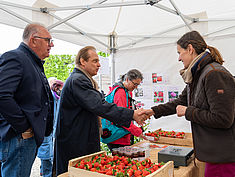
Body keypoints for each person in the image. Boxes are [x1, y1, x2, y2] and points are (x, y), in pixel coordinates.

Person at [143, 31, 235, 177]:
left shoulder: (214, 74)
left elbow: (223, 118)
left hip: (223, 157)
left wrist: (188, 112)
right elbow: (181, 101)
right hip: (214, 154)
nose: (179, 58)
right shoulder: (198, 74)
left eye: (180, 52)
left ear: (190, 49)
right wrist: (153, 111)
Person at [55, 46, 148, 176]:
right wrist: (132, 114)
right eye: (95, 61)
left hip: (80, 138)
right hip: (76, 141)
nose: (99, 65)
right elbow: (99, 105)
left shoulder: (83, 79)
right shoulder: (78, 80)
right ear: (82, 61)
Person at [0, 23, 54, 177]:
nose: (52, 44)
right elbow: (2, 95)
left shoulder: (30, 61)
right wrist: (24, 127)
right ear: (34, 40)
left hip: (24, 138)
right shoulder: (16, 58)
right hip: (18, 137)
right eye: (48, 40)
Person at [106, 69, 147, 151]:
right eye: (135, 84)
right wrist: (138, 132)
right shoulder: (120, 93)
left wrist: (136, 118)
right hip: (118, 137)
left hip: (121, 134)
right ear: (127, 79)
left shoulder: (125, 91)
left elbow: (127, 113)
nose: (136, 87)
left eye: (138, 85)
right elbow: (121, 117)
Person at [37, 78, 64, 177]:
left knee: (49, 153)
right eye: (57, 87)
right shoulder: (48, 96)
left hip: (53, 129)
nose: (59, 90)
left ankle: (44, 171)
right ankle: (46, 173)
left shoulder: (58, 98)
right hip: (46, 130)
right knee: (46, 155)